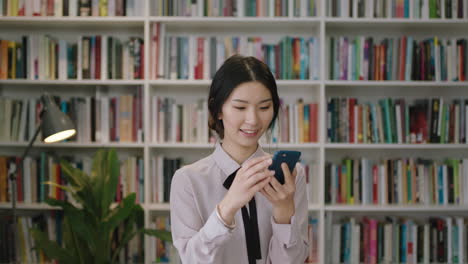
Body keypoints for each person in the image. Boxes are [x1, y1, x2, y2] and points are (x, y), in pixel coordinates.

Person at [170, 54, 309, 264]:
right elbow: (191, 259)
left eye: (264, 107)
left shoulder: (290, 175)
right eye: (240, 107)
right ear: (217, 110)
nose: (253, 120)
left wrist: (283, 213)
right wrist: (228, 206)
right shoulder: (187, 180)